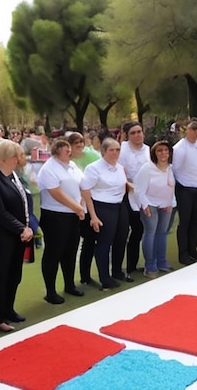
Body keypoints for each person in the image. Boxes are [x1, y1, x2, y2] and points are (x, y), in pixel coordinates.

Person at [0, 141, 33, 332]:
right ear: (2, 158)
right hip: (1, 237)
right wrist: (21, 228)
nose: (18, 160)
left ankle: (8, 309)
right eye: (14, 156)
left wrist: (26, 227)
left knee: (13, 275)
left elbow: (24, 201)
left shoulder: (13, 176)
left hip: (16, 236)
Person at [37, 138, 85, 305]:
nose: (70, 153)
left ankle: (69, 284)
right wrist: (78, 208)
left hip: (72, 215)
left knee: (71, 251)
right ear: (57, 151)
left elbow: (81, 185)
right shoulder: (49, 169)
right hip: (55, 216)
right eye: (66, 151)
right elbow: (56, 193)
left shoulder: (72, 166)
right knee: (54, 253)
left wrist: (80, 206)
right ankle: (50, 291)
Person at [81, 138, 127, 290]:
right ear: (103, 151)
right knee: (104, 243)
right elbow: (85, 190)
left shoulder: (120, 167)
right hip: (102, 207)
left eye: (118, 150)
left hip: (119, 206)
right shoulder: (94, 168)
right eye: (111, 150)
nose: (115, 153)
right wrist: (93, 216)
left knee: (121, 239)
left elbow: (122, 185)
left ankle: (117, 271)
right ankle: (105, 278)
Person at [134, 141, 175, 278]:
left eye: (166, 150)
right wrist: (145, 205)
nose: (163, 153)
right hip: (150, 204)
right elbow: (139, 189)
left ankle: (162, 262)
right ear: (154, 153)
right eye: (160, 151)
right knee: (150, 233)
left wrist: (171, 203)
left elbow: (171, 187)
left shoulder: (170, 168)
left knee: (162, 233)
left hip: (166, 205)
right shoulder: (147, 168)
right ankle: (150, 266)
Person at [114, 121, 150, 282]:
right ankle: (118, 269)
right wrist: (130, 187)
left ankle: (132, 265)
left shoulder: (148, 150)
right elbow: (119, 172)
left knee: (138, 230)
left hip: (144, 195)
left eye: (139, 131)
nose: (137, 135)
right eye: (133, 133)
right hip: (126, 195)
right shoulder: (121, 151)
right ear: (127, 136)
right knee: (123, 232)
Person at [172, 120, 197, 265]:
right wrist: (181, 185)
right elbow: (175, 168)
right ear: (186, 131)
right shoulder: (180, 147)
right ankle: (183, 253)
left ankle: (193, 249)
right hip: (185, 188)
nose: (195, 132)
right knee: (185, 222)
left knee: (196, 220)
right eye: (192, 129)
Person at [67, 132, 100, 287]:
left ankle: (85, 276)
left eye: (81, 142)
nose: (80, 145)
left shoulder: (91, 157)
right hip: (69, 210)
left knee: (89, 242)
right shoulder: (66, 162)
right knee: (71, 246)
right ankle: (69, 281)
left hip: (86, 207)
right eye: (75, 142)